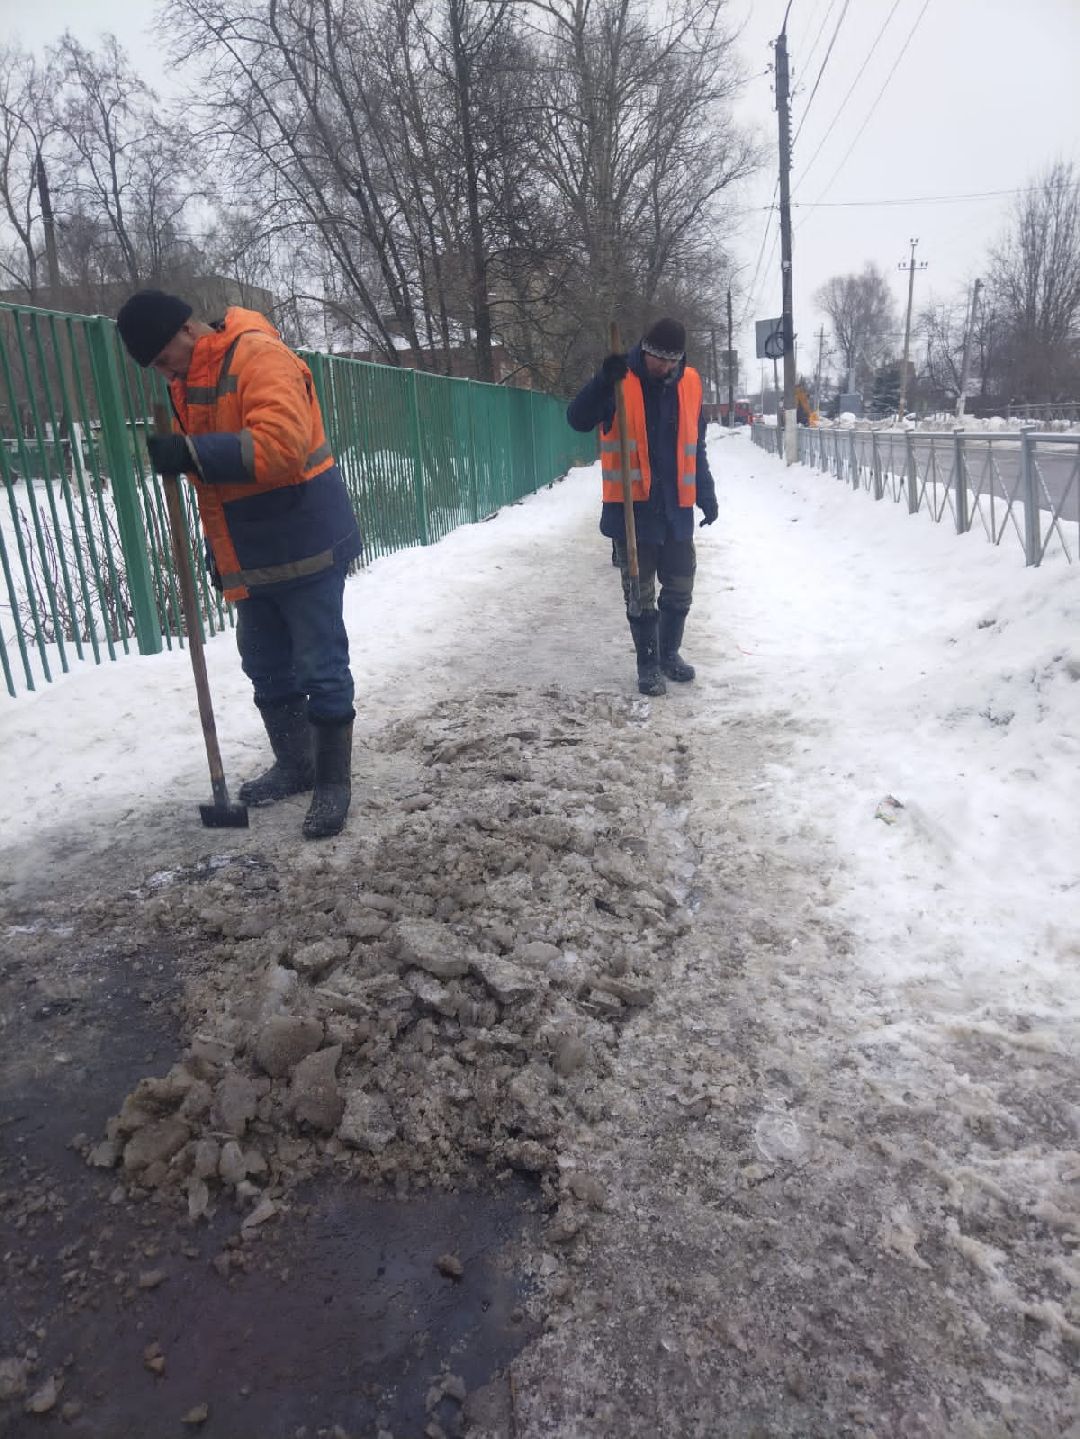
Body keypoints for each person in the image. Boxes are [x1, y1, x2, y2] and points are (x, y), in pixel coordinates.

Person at [116, 289, 362, 839]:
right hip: (250, 551)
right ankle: (296, 763)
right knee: (265, 663)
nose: (163, 373)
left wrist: (193, 454)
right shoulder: (187, 382)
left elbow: (282, 448)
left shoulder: (259, 356)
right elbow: (217, 477)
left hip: (305, 542)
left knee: (320, 664)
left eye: (161, 359)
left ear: (186, 330)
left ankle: (331, 782)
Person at [567, 318, 718, 696]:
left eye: (671, 361)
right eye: (657, 359)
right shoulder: (619, 378)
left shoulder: (691, 384)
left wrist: (706, 491)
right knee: (640, 593)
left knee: (680, 588)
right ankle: (647, 663)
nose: (664, 367)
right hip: (632, 511)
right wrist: (603, 380)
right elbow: (577, 419)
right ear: (645, 350)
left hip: (676, 510)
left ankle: (669, 654)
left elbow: (694, 445)